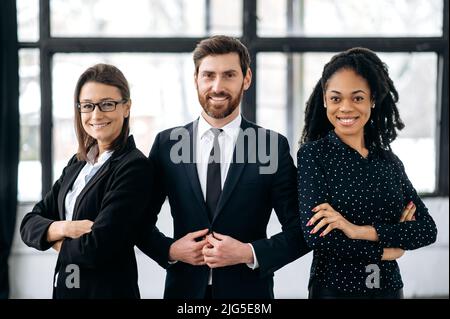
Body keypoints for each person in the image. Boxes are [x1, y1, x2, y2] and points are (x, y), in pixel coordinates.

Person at [138, 35, 310, 299]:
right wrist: (171, 250)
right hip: (184, 294)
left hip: (248, 296)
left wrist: (248, 253)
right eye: (208, 75)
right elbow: (138, 220)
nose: (217, 86)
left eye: (229, 75)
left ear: (247, 78)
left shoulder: (270, 146)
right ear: (196, 78)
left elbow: (302, 230)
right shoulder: (167, 144)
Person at [297, 47, 438, 299]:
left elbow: (426, 230)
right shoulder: (313, 155)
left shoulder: (389, 162)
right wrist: (387, 250)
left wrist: (355, 230)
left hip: (389, 289)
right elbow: (318, 237)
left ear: (373, 99)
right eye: (336, 98)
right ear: (325, 99)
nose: (346, 108)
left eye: (358, 98)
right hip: (334, 290)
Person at [20, 63, 153, 299]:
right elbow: (29, 224)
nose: (96, 115)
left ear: (126, 108)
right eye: (88, 106)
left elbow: (95, 249)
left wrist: (48, 235)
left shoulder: (134, 167)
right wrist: (64, 228)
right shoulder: (78, 163)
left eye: (107, 104)